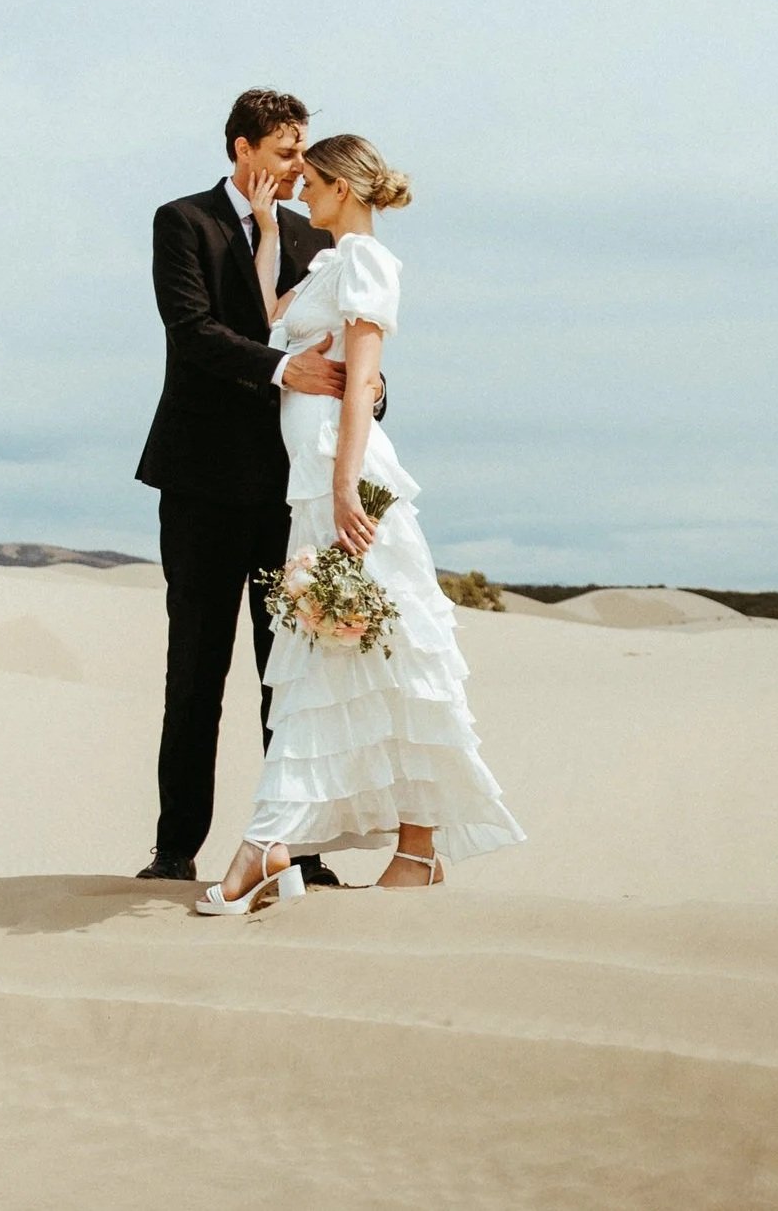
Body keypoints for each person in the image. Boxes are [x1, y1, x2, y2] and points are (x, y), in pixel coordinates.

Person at [196, 134, 523, 913]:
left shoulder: (369, 263)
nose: (301, 190)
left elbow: (363, 376)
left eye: (309, 181)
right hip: (311, 487)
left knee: (357, 656)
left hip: (347, 485)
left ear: (342, 186)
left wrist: (346, 485)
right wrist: (271, 231)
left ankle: (266, 847)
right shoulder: (329, 262)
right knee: (365, 658)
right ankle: (412, 853)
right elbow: (273, 319)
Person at [134, 90, 357, 885]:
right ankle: (174, 850)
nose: (301, 167)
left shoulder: (312, 235)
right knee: (194, 670)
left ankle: (298, 850)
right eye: (286, 152)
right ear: (243, 150)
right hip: (196, 484)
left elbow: (342, 337)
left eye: (304, 152)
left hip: (282, 491)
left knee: (288, 676)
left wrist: (363, 393)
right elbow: (192, 332)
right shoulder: (182, 222)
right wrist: (279, 367)